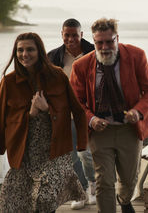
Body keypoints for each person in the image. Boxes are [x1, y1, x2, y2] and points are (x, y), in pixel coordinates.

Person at [70, 18, 148, 213]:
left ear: (117, 38)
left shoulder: (137, 55)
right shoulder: (81, 65)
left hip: (130, 129)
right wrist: (92, 119)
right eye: (99, 43)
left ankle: (125, 200)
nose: (104, 47)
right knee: (104, 182)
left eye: (109, 41)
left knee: (129, 179)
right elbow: (76, 102)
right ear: (93, 42)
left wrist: (138, 111)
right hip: (99, 132)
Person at [0, 32, 88, 213]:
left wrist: (81, 144)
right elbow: (1, 119)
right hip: (24, 152)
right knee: (16, 203)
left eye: (30, 49)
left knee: (45, 200)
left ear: (40, 51)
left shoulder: (58, 76)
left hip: (55, 151)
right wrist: (30, 114)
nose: (25, 54)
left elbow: (78, 111)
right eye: (20, 50)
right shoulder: (8, 82)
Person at [47, 18, 96, 210]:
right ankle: (80, 191)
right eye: (66, 35)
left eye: (74, 35)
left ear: (81, 35)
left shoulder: (93, 52)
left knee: (86, 154)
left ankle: (93, 185)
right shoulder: (54, 57)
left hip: (86, 113)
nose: (70, 39)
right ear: (62, 34)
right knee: (72, 156)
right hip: (64, 115)